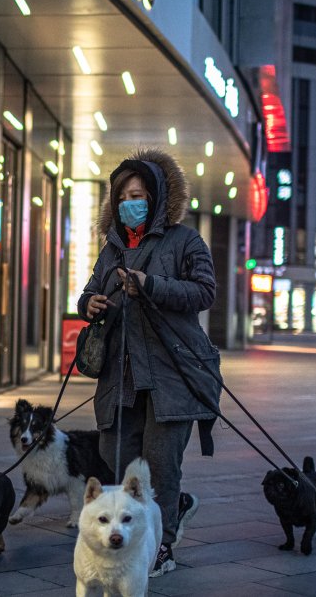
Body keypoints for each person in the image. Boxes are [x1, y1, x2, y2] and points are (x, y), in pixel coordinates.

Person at [78, 148, 220, 578]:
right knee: (116, 460)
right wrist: (91, 304)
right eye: (122, 196)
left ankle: (162, 545)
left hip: (171, 374)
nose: (129, 203)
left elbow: (204, 292)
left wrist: (151, 284)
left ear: (157, 198)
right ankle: (167, 511)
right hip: (121, 376)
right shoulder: (112, 247)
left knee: (159, 466)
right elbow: (87, 292)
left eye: (138, 194)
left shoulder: (185, 240)